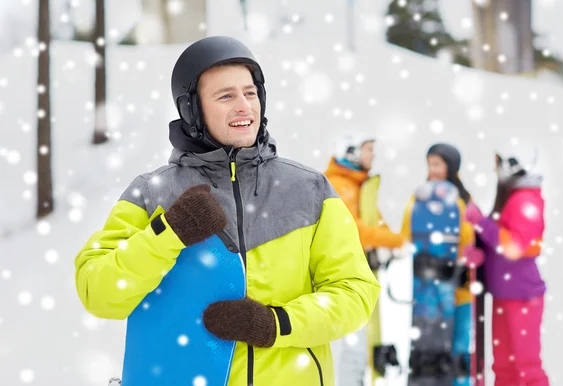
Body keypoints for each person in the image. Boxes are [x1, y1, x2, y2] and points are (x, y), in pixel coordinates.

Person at [73, 35, 380, 386]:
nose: (244, 107)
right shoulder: (151, 194)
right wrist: (167, 234)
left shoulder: (309, 190)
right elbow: (99, 293)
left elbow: (356, 293)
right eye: (225, 96)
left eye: (250, 93)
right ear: (192, 109)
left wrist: (276, 323)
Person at [465, 142, 549, 386]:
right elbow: (501, 243)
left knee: (525, 367)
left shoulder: (525, 201)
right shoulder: (514, 198)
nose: (495, 171)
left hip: (521, 296)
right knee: (504, 366)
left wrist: (480, 222)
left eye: (498, 164)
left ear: (513, 165)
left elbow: (513, 246)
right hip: (504, 294)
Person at [323, 134, 404, 386]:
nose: (373, 155)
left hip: (360, 275)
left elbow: (375, 223)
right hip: (343, 277)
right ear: (352, 151)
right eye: (369, 149)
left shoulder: (360, 187)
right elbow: (355, 229)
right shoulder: (340, 185)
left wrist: (389, 240)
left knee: (362, 347)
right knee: (353, 350)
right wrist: (396, 241)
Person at [399, 143, 483, 383]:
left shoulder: (464, 202)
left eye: (438, 164)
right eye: (429, 164)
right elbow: (406, 235)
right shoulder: (419, 199)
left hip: (462, 291)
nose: (432, 170)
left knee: (458, 354)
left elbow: (476, 240)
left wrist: (468, 263)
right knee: (430, 354)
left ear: (452, 167)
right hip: (430, 295)